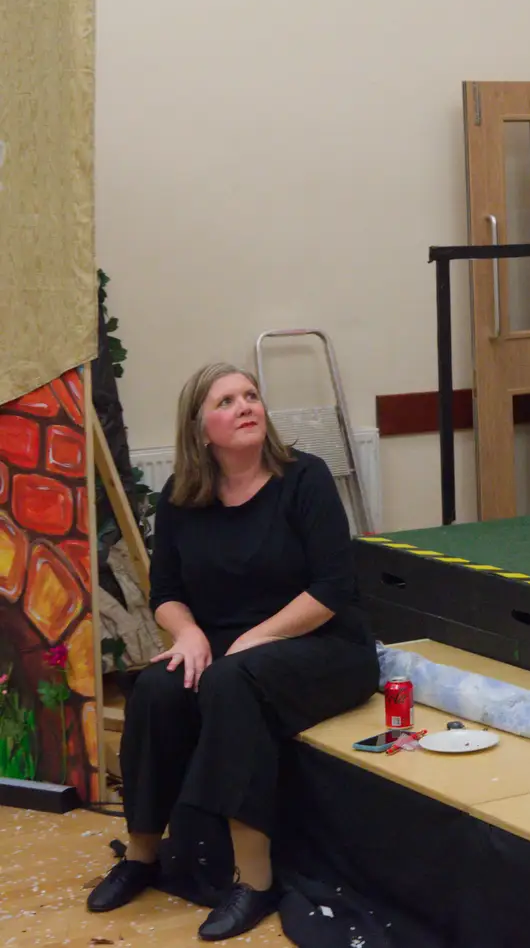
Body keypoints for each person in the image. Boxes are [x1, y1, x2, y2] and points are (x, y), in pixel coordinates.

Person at [86, 363, 378, 939]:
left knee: (230, 681)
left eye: (251, 396)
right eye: (226, 401)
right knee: (156, 686)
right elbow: (165, 594)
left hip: (322, 644)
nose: (245, 406)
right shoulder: (180, 496)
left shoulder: (304, 478)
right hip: (229, 647)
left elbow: (330, 591)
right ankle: (142, 855)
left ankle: (255, 879)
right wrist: (189, 636)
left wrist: (252, 641)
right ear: (200, 429)